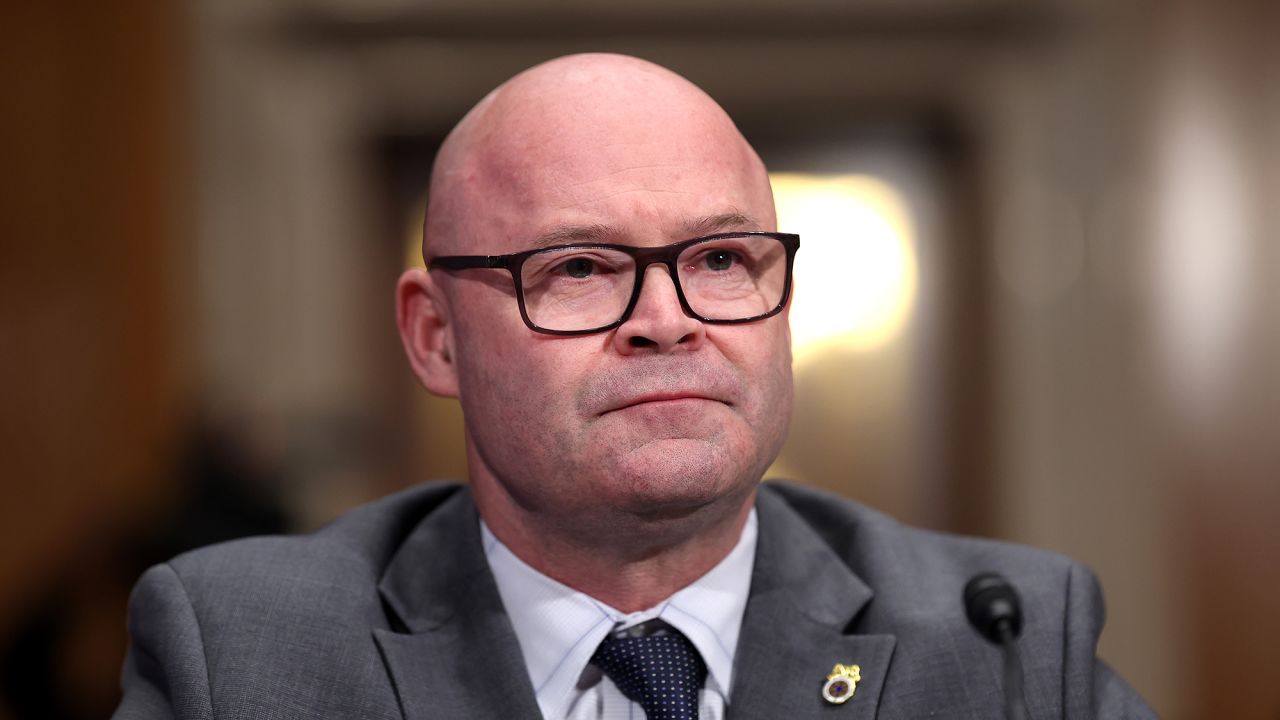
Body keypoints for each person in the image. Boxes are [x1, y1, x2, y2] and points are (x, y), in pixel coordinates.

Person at [114, 53, 1154, 719]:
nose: (667, 320)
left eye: (717, 261)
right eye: (578, 269)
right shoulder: (242, 655)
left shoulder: (1004, 640)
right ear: (434, 338)